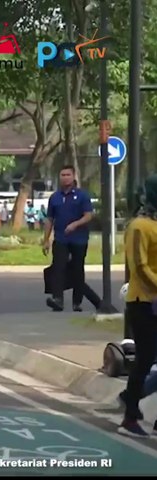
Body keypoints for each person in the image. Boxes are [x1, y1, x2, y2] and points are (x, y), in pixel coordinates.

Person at [116, 174, 157, 439]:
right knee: (144, 359)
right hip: (143, 302)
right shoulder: (139, 226)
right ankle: (130, 416)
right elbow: (139, 266)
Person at [43, 165, 94, 312]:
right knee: (58, 267)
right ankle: (57, 299)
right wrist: (46, 239)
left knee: (77, 270)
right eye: (62, 175)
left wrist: (75, 224)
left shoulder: (82, 195)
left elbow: (88, 215)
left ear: (73, 177)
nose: (65, 178)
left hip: (79, 238)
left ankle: (76, 302)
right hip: (61, 238)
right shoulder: (55, 197)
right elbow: (50, 219)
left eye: (68, 175)